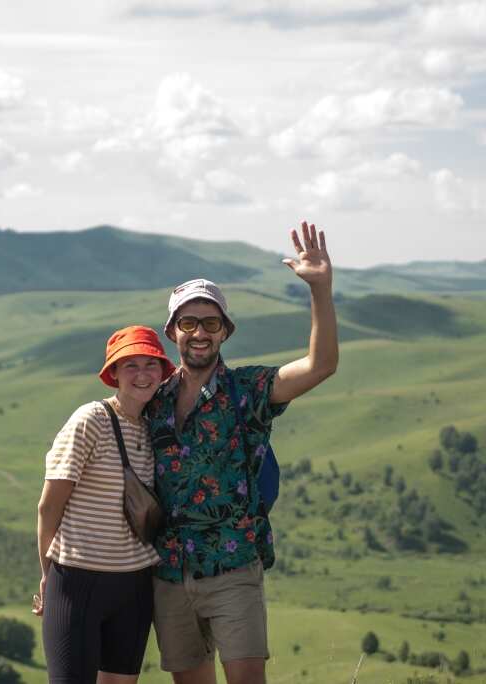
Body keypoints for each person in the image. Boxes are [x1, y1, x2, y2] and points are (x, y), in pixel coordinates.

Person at [146, 221, 339, 684]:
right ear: (172, 331)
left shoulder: (248, 389)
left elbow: (321, 365)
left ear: (224, 332)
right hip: (169, 573)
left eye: (209, 323)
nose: (198, 333)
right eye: (188, 323)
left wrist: (320, 289)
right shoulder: (153, 399)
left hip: (233, 569)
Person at [35, 325, 176, 684]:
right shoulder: (90, 420)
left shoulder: (155, 426)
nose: (142, 375)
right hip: (76, 581)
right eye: (130, 365)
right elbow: (49, 507)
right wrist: (47, 574)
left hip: (136, 585)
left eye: (151, 364)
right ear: (113, 373)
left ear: (163, 371)